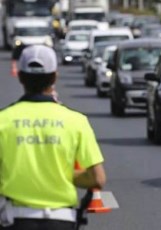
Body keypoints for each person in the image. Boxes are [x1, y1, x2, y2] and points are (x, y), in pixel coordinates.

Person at [0, 45, 106, 230]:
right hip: (61, 220)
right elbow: (97, 179)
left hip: (15, 220)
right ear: (55, 76)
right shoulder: (76, 121)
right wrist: (61, 173)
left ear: (20, 76)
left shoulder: (4, 120)